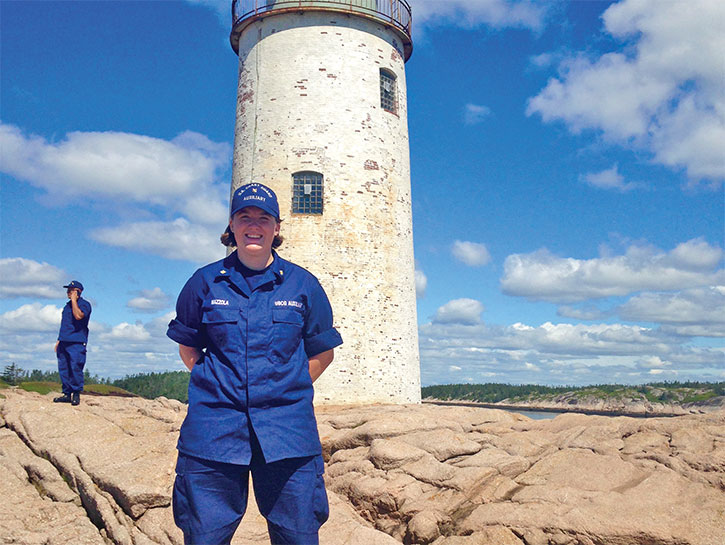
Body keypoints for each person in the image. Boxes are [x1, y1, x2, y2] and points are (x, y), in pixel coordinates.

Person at [167, 182, 343, 545]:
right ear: (231, 225)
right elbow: (188, 348)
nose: (254, 225)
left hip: (288, 433)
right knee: (204, 536)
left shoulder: (303, 285)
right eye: (244, 216)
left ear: (277, 228)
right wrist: (219, 383)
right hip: (213, 431)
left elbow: (322, 352)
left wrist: (287, 385)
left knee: (298, 535)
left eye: (264, 218)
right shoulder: (204, 283)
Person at [54, 280, 92, 406]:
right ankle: (66, 394)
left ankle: (76, 393)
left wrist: (75, 301)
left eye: (71, 290)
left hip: (77, 342)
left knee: (75, 367)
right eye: (68, 290)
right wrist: (59, 341)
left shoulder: (84, 304)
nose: (68, 292)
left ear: (77, 292)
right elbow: (65, 325)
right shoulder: (66, 306)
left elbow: (78, 316)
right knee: (64, 368)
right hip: (64, 341)